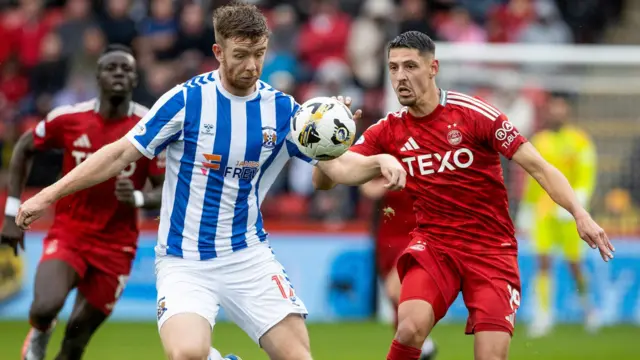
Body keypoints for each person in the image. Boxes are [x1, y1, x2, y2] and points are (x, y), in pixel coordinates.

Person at [13, 4, 406, 360]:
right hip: (184, 260)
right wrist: (46, 195)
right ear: (219, 52)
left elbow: (332, 174)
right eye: (241, 55)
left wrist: (376, 161)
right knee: (187, 354)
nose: (252, 65)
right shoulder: (186, 101)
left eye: (259, 54)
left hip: (248, 256)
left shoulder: (285, 110)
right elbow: (118, 153)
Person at [312, 31, 614, 360]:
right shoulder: (389, 130)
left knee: (490, 356)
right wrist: (328, 145)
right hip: (435, 245)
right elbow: (329, 178)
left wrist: (579, 214)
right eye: (394, 68)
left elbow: (539, 167)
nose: (400, 76)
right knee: (409, 328)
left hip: (491, 250)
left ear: (433, 68)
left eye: (410, 66)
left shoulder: (474, 115)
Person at [0, 44, 165, 360]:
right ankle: (40, 330)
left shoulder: (149, 126)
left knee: (76, 341)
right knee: (44, 306)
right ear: (97, 77)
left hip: (117, 246)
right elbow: (24, 147)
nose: (119, 73)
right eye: (111, 68)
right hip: (70, 233)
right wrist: (11, 212)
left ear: (135, 79)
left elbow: (167, 189)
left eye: (126, 69)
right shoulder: (69, 119)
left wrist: (141, 198)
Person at [517, 93, 599, 337]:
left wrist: (579, 203)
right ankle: (543, 316)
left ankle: (589, 309)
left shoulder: (579, 140)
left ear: (568, 111)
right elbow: (533, 176)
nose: (556, 112)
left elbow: (587, 172)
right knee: (542, 262)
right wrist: (527, 207)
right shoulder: (539, 140)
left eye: (561, 108)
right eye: (553, 108)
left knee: (575, 264)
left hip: (571, 213)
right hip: (543, 212)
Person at [361, 178, 436, 359]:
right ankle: (414, 344)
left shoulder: (428, 157)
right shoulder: (385, 155)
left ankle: (420, 341)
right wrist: (385, 184)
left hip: (417, 230)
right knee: (393, 293)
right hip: (387, 232)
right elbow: (367, 188)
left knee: (395, 289)